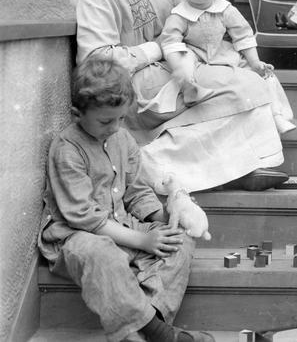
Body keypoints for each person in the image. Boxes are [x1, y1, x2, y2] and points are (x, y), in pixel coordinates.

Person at [69, 0, 288, 193]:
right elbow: (96, 60)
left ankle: (238, 164)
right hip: (140, 83)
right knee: (242, 85)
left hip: (177, 60)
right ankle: (153, 167)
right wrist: (157, 46)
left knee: (254, 76)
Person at [38, 56, 214, 342]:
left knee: (179, 238)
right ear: (76, 114)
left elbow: (136, 191)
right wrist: (143, 242)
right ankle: (161, 335)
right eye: (106, 120)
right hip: (76, 236)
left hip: (125, 226)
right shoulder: (67, 149)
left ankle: (147, 325)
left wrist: (164, 217)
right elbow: (84, 217)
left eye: (121, 118)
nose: (115, 127)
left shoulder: (123, 138)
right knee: (103, 253)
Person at [159, 0, 295, 134]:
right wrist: (179, 64)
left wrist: (255, 62)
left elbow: (243, 35)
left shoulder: (225, 10)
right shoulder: (179, 15)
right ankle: (189, 87)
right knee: (183, 60)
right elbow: (171, 42)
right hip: (195, 54)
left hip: (221, 52)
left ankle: (277, 115)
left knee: (264, 75)